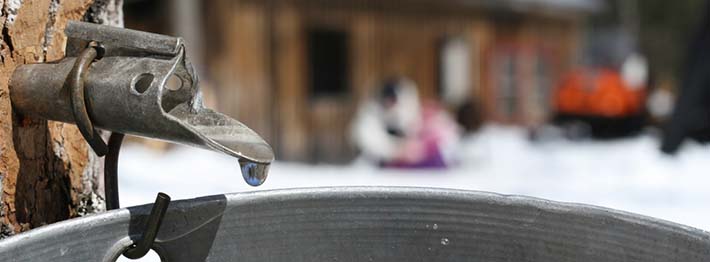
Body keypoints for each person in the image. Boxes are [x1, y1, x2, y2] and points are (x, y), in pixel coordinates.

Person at [350, 77, 461, 168]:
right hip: (383, 163)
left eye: (393, 102)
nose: (391, 106)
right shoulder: (370, 117)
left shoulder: (409, 114)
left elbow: (412, 127)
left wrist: (413, 147)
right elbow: (374, 144)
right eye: (388, 103)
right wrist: (399, 151)